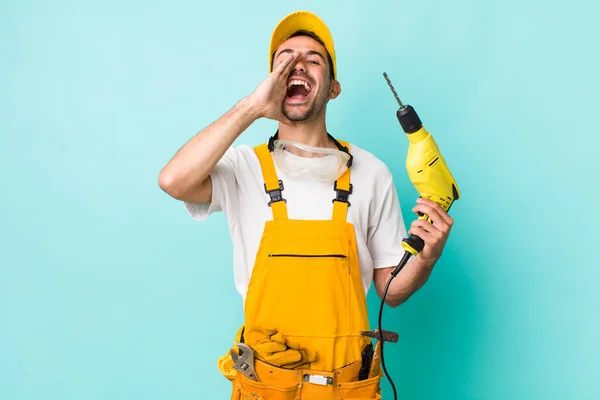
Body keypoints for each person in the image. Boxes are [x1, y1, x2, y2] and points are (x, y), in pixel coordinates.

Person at [158, 10, 454, 399]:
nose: (297, 64)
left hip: (347, 387)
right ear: (271, 84)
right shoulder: (243, 167)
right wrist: (251, 108)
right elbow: (173, 181)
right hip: (267, 385)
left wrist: (426, 258)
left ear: (332, 88)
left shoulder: (371, 172)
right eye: (285, 60)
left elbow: (391, 292)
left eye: (313, 60)